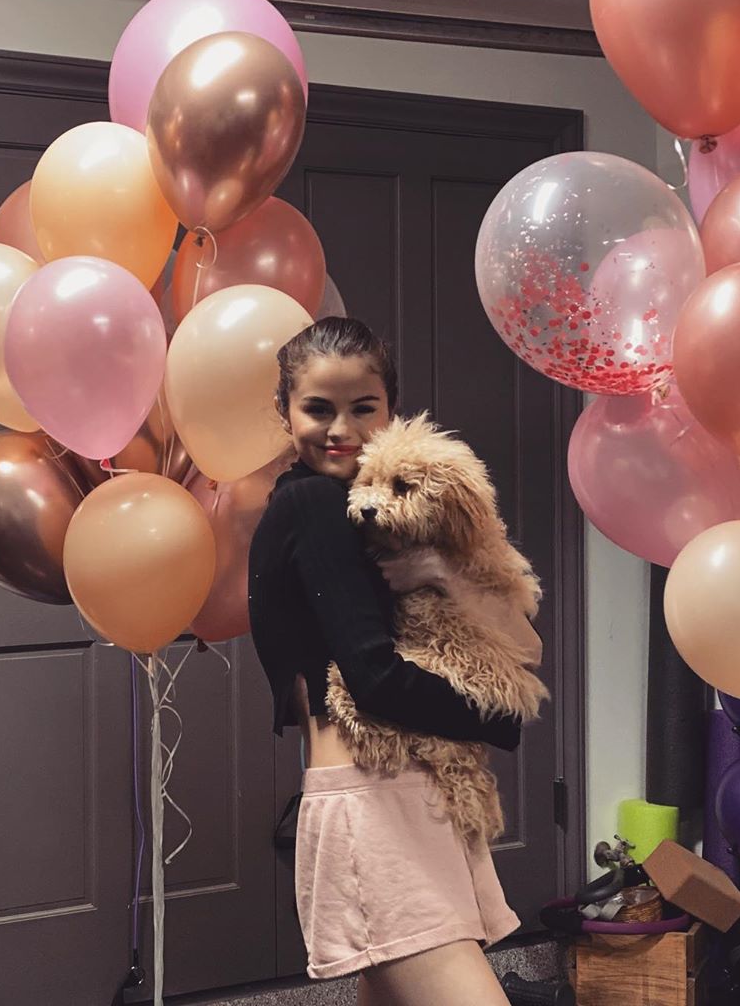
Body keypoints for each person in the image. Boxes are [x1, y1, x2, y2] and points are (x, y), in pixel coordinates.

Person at [248, 317, 542, 1006]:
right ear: (285, 411)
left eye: (363, 408)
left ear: (392, 409)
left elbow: (521, 640)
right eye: (318, 409)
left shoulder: (370, 516)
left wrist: (441, 572)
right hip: (373, 800)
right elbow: (373, 679)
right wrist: (498, 719)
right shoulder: (313, 504)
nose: (340, 429)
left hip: (403, 793)